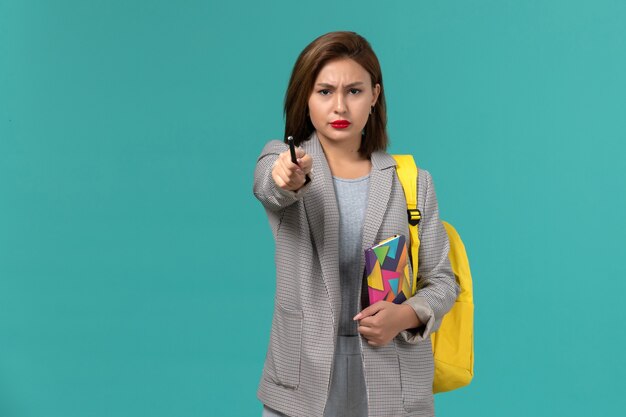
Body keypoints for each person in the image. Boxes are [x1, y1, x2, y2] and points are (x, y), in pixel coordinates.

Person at [253, 31, 459, 417]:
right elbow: (269, 186)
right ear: (306, 98)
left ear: (375, 96)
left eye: (354, 91)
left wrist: (405, 315)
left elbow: (443, 281)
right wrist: (287, 177)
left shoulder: (412, 181)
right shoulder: (280, 160)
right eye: (325, 91)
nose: (340, 106)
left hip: (394, 380)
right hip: (302, 380)